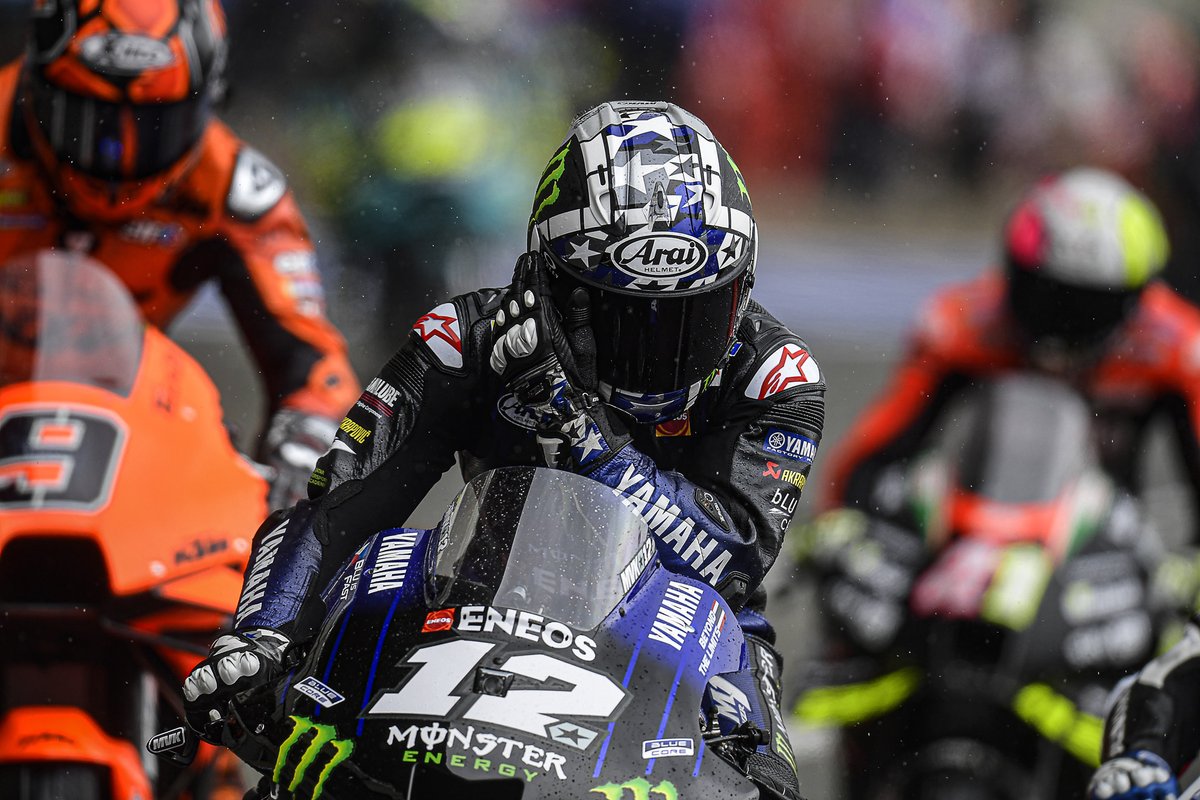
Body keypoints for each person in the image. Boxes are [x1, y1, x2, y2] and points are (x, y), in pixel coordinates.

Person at [180, 100, 826, 798]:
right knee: (289, 753)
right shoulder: (466, 338)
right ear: (548, 280)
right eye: (618, 317)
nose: (658, 355)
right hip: (463, 604)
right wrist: (262, 635)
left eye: (693, 318)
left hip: (693, 640)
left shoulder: (776, 375)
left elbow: (727, 560)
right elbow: (334, 511)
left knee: (765, 785)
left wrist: (584, 436)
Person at [0, 0, 360, 509]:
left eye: (151, 129)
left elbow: (316, 366)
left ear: (205, 102)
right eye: (86, 120)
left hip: (128, 446)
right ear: (36, 87)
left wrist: (305, 450)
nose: (116, 159)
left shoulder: (236, 191)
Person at [821, 167, 1196, 531]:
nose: (1060, 323)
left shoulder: (1178, 345)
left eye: (1086, 305)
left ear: (1135, 300)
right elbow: (872, 452)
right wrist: (842, 529)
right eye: (1046, 295)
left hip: (1108, 549)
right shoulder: (960, 321)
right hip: (969, 533)